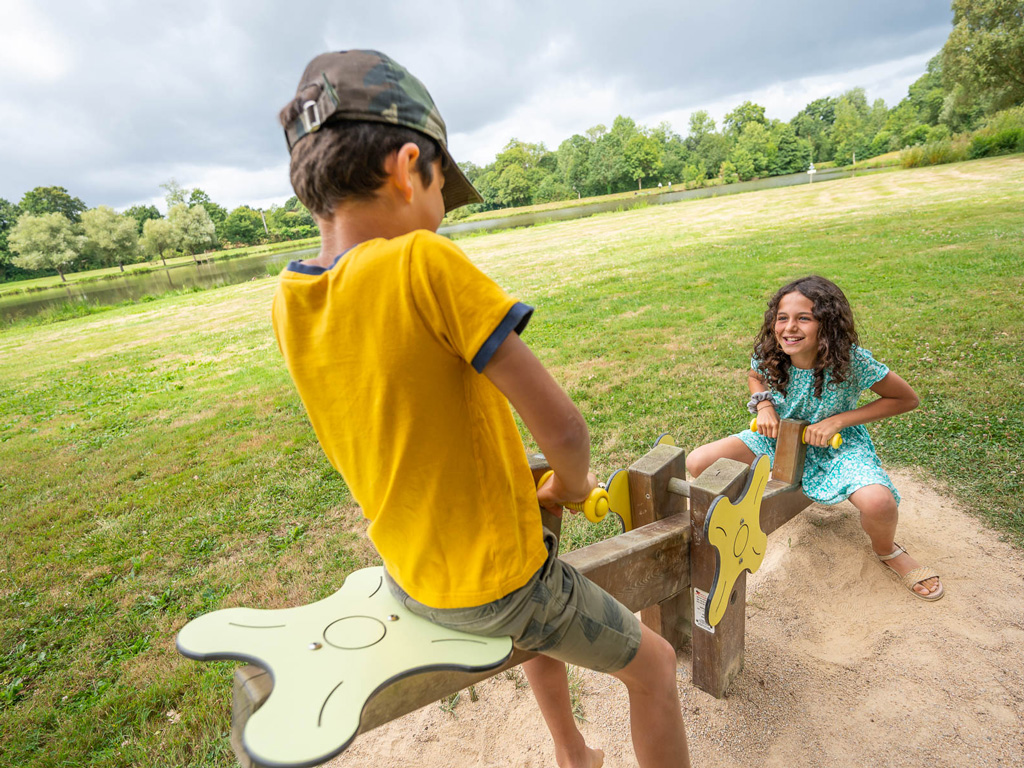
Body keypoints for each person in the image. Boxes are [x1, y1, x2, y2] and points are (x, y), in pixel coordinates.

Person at [271, 50, 690, 768]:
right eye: (443, 190)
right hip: (495, 584)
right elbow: (563, 427)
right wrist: (571, 484)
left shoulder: (290, 298)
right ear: (409, 167)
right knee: (651, 668)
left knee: (542, 597)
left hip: (414, 572)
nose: (441, 213)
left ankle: (571, 751)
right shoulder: (421, 262)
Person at [686, 275, 943, 602]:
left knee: (880, 503)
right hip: (777, 438)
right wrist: (764, 405)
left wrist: (838, 421)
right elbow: (754, 375)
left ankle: (887, 550)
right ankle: (750, 510)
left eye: (803, 318)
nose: (789, 328)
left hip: (837, 447)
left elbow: (906, 399)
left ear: (828, 324)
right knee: (698, 462)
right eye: (782, 318)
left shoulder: (853, 362)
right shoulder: (772, 352)